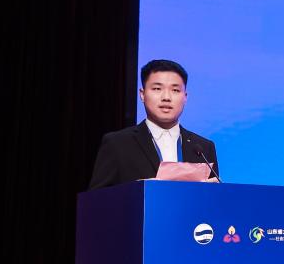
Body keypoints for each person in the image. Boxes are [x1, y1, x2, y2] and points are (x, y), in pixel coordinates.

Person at [88, 59, 220, 189]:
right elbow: (96, 198)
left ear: (185, 96)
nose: (166, 97)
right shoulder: (117, 143)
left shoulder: (203, 148)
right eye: (157, 88)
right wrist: (138, 189)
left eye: (175, 90)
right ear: (142, 94)